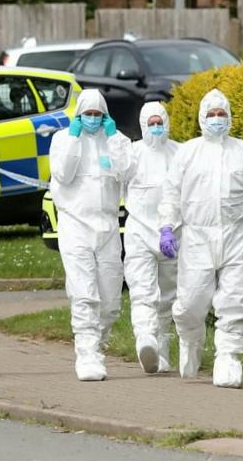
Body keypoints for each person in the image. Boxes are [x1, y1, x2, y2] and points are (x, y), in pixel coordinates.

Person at [158, 89, 243, 388]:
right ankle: (191, 339)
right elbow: (170, 194)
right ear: (202, 118)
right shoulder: (188, 153)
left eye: (222, 114)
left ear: (230, 117)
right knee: (190, 302)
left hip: (235, 234)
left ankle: (228, 358)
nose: (217, 119)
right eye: (212, 114)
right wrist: (167, 226)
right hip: (196, 235)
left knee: (235, 301)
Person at [49, 89, 132, 381]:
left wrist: (114, 141)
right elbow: (63, 174)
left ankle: (98, 344)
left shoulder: (116, 141)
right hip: (74, 225)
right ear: (78, 115)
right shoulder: (63, 140)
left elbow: (126, 173)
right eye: (88, 115)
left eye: (98, 115)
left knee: (110, 301)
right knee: (85, 293)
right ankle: (86, 354)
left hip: (108, 227)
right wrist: (73, 138)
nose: (93, 120)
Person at [122, 102, 181, 374]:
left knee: (169, 295)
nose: (157, 128)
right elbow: (115, 181)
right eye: (152, 123)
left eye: (161, 122)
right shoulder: (132, 154)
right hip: (139, 234)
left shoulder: (180, 153)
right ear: (143, 125)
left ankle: (163, 349)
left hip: (172, 234)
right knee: (142, 290)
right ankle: (145, 339)